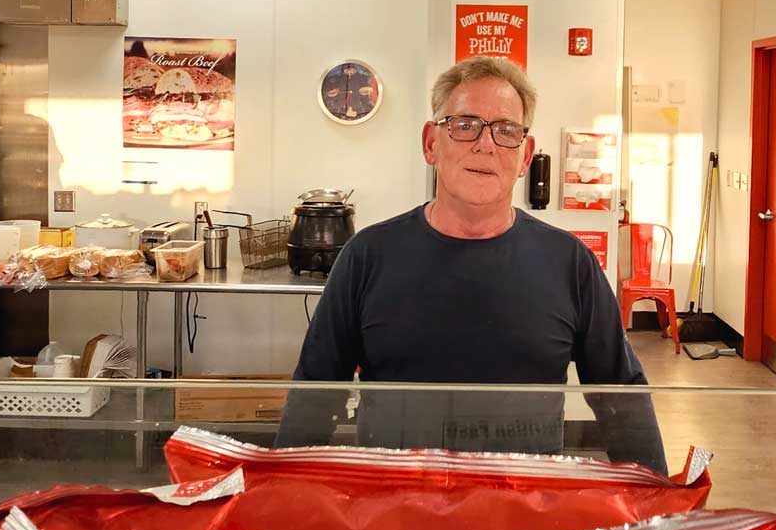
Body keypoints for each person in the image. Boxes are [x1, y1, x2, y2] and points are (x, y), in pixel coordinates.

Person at [275, 56, 666, 472]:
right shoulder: (367, 256)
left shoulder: (570, 263)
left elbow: (622, 397)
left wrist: (658, 499)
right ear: (431, 143)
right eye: (464, 125)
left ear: (525, 155)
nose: (486, 144)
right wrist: (281, 495)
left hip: (523, 505)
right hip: (396, 506)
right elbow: (313, 398)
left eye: (506, 131)